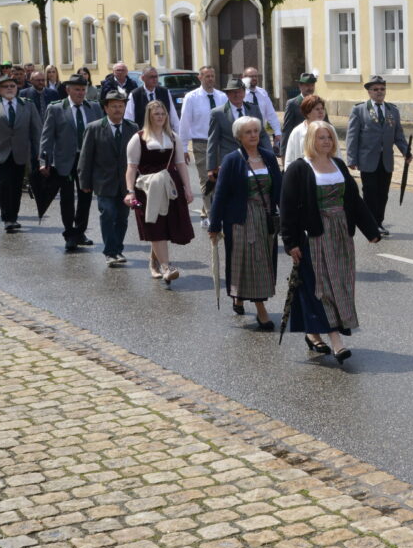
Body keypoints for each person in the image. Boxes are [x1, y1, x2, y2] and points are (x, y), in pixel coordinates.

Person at [281, 120, 380, 361]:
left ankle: (313, 333)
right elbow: (288, 208)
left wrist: (371, 230)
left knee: (340, 283)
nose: (326, 141)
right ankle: (336, 340)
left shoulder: (338, 165)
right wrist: (291, 242)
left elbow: (354, 200)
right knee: (321, 286)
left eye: (329, 137)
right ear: (310, 141)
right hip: (314, 235)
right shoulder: (299, 168)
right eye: (321, 137)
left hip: (340, 234)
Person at [209, 115, 282, 330]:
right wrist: (214, 226)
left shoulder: (269, 157)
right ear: (239, 137)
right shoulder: (232, 160)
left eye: (256, 131)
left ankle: (239, 296)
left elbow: (279, 190)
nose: (253, 135)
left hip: (266, 217)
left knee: (263, 260)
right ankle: (261, 311)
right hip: (241, 219)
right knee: (250, 262)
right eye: (248, 132)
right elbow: (220, 195)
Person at [125, 100, 195, 284]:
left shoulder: (173, 137)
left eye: (163, 114)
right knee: (155, 226)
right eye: (156, 114)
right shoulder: (138, 138)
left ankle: (154, 261)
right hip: (148, 188)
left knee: (165, 226)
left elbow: (181, 164)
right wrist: (130, 191)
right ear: (149, 116)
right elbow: (131, 168)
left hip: (171, 186)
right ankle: (166, 267)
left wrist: (187, 188)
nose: (160, 117)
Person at [39, 74, 103, 251]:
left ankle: (80, 231)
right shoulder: (57, 108)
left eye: (83, 89)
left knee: (85, 197)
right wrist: (44, 160)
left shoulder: (94, 108)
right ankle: (69, 233)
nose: (81, 93)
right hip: (65, 160)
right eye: (77, 89)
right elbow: (47, 136)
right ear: (68, 90)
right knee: (67, 198)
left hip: (87, 160)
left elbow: (100, 135)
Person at [78, 91, 138, 266]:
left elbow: (137, 157)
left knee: (122, 217)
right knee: (108, 214)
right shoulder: (94, 128)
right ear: (106, 108)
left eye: (121, 106)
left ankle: (118, 250)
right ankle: (110, 252)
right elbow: (85, 157)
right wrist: (84, 182)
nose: (118, 109)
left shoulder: (132, 128)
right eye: (114, 106)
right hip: (103, 181)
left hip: (126, 184)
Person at [346, 75, 411, 236]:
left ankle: (379, 222)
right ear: (369, 92)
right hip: (367, 159)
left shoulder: (392, 110)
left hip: (386, 159)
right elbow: (352, 136)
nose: (379, 92)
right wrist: (351, 159)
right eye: (375, 89)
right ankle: (371, 224)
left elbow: (399, 135)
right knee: (370, 193)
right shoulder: (359, 110)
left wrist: (406, 151)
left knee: (383, 193)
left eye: (382, 89)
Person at [0, 75, 41, 232]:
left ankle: (14, 216)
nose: (10, 89)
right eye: (5, 86)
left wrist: (40, 152)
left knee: (17, 185)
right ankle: (7, 218)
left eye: (12, 85)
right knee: (5, 184)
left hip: (20, 151)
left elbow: (36, 130)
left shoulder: (27, 105)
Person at [178, 64, 227, 218]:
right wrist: (184, 147)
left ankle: (207, 210)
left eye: (212, 76)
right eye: (207, 76)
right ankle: (213, 216)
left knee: (221, 178)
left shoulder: (222, 97)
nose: (210, 79)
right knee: (207, 179)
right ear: (200, 78)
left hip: (220, 143)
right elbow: (185, 122)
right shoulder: (191, 97)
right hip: (201, 143)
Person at [206, 77, 269, 183]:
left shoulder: (254, 109)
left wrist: (269, 155)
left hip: (253, 158)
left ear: (244, 92)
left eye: (239, 91)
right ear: (227, 94)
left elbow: (262, 134)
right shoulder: (217, 113)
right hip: (229, 160)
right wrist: (211, 167)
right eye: (233, 92)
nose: (237, 95)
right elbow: (213, 141)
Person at [283, 95, 338, 166]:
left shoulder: (330, 129)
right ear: (307, 113)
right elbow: (289, 159)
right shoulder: (297, 131)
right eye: (317, 109)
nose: (321, 112)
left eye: (322, 108)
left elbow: (337, 153)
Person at [124, 67, 180, 132]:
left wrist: (178, 136)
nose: (155, 79)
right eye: (151, 77)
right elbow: (129, 119)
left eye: (156, 76)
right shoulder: (135, 95)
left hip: (162, 134)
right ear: (143, 78)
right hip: (143, 135)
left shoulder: (165, 92)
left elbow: (173, 116)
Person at [242, 67, 282, 149]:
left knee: (269, 156)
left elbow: (271, 114)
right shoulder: (241, 94)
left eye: (255, 76)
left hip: (261, 133)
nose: (254, 78)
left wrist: (277, 132)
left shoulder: (263, 93)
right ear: (243, 78)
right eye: (251, 76)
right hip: (246, 134)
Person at [280, 72, 316, 145]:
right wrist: (284, 153)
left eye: (312, 85)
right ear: (300, 86)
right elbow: (287, 129)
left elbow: (326, 123)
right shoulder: (292, 104)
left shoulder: (318, 103)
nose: (310, 88)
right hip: (298, 143)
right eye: (307, 85)